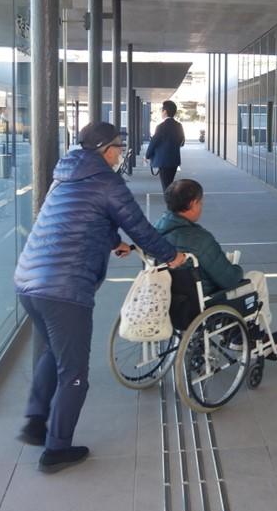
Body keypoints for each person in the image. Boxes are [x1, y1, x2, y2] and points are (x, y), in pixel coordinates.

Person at [14, 122, 187, 474]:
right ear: (105, 149)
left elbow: (74, 219)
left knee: (53, 353)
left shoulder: (64, 175)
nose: (121, 152)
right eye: (119, 146)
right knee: (74, 373)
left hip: (28, 281)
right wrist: (172, 256)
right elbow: (140, 227)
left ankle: (35, 422)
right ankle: (56, 450)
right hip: (65, 290)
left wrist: (113, 243)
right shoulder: (108, 181)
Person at [154, 179, 277, 355]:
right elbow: (229, 279)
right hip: (202, 303)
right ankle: (255, 337)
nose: (201, 207)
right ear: (192, 204)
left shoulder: (156, 231)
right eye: (200, 203)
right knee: (256, 277)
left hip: (169, 299)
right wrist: (235, 267)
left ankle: (235, 333)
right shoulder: (200, 239)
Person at [145, 100, 185, 191]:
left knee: (166, 187)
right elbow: (182, 142)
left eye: (161, 111)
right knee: (169, 184)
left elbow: (153, 143)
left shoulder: (161, 126)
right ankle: (171, 199)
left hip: (163, 161)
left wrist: (147, 155)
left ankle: (170, 200)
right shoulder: (179, 126)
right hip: (174, 160)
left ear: (165, 111)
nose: (161, 113)